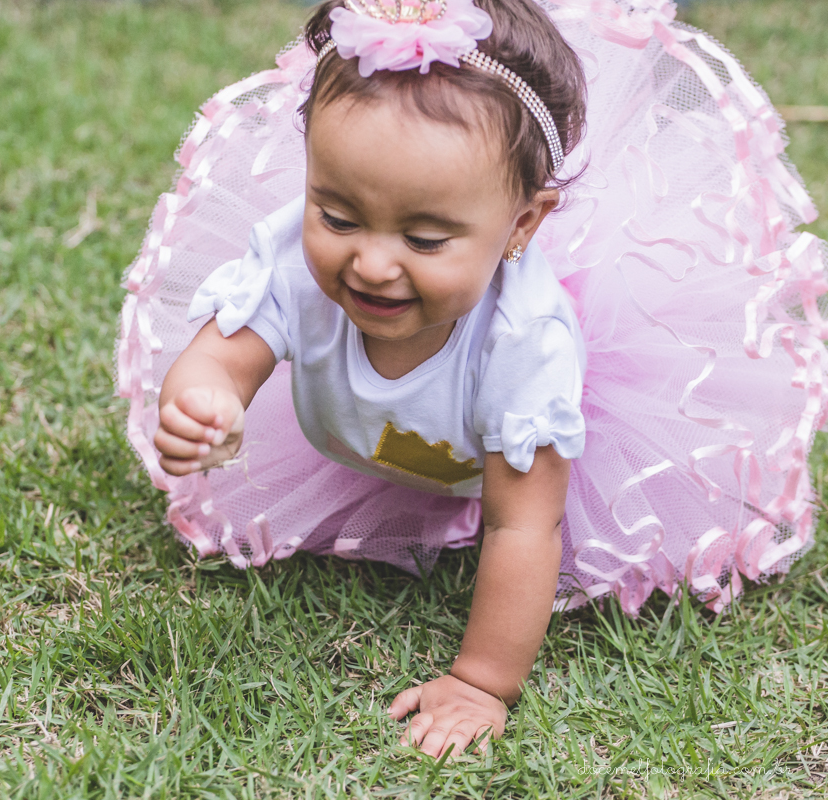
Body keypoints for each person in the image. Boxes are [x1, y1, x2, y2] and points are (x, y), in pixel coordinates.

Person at [117, 0, 825, 758]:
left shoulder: (526, 344)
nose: (373, 262)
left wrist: (483, 682)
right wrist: (206, 398)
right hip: (373, 435)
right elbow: (222, 353)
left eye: (424, 237)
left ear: (522, 225)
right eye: (338, 214)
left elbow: (524, 525)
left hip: (538, 453)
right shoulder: (295, 257)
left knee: (527, 504)